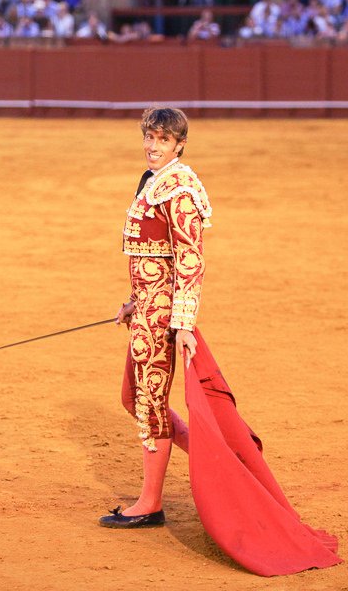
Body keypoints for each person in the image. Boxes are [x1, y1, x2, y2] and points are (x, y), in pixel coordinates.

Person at [99, 107, 211, 529]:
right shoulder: (154, 182)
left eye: (163, 140)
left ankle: (149, 504)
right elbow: (154, 256)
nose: (152, 146)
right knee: (135, 399)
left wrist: (182, 324)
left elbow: (190, 259)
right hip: (147, 309)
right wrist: (132, 300)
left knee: (150, 406)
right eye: (149, 137)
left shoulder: (179, 190)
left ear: (179, 144)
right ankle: (211, 456)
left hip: (163, 317)